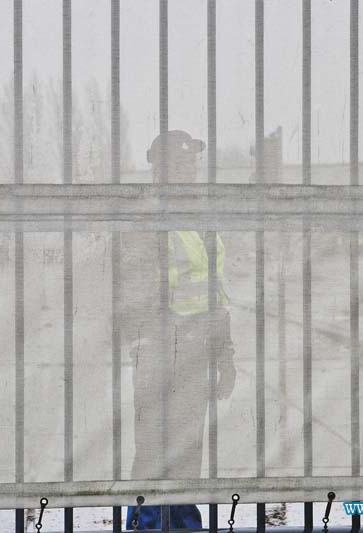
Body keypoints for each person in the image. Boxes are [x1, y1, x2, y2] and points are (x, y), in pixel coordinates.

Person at [121, 130, 236, 530]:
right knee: (153, 450)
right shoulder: (145, 216)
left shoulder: (201, 217)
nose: (189, 171)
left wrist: (225, 355)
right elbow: (132, 288)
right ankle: (147, 523)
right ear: (160, 168)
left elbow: (213, 287)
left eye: (192, 163)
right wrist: (147, 343)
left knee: (188, 450)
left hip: (197, 349)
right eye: (180, 164)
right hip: (158, 351)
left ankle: (184, 523)